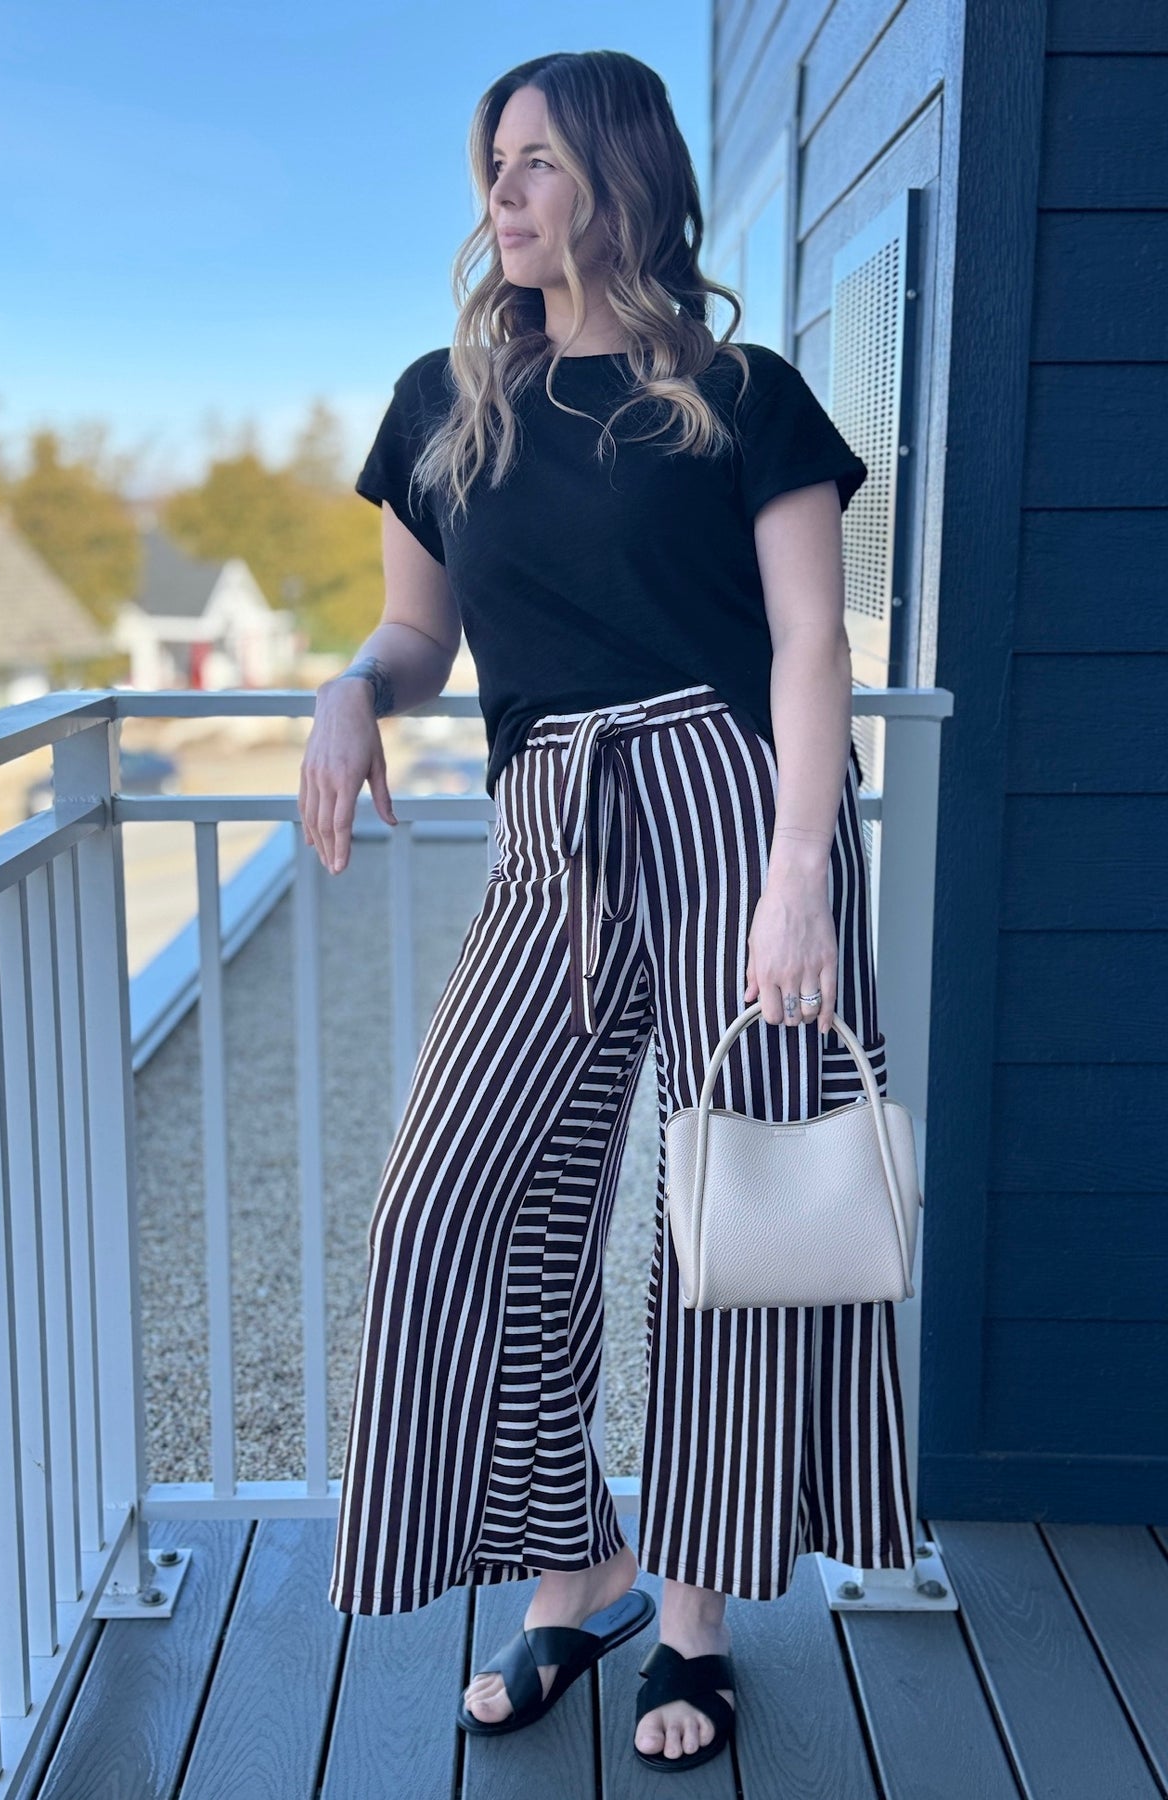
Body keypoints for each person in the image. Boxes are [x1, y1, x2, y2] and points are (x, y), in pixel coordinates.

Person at [299, 48, 914, 1775]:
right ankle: (577, 1564)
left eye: (540, 162)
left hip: (735, 806)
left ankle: (697, 1625)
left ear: (624, 182)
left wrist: (799, 875)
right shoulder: (444, 405)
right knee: (450, 1201)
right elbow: (420, 638)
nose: (501, 194)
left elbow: (811, 643)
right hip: (552, 827)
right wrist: (351, 689)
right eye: (493, 163)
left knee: (741, 1217)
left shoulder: (742, 392)